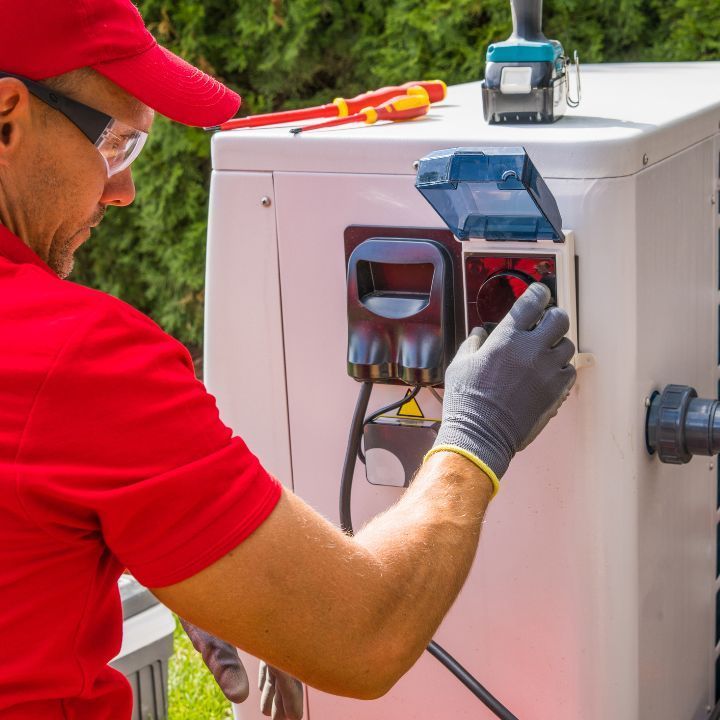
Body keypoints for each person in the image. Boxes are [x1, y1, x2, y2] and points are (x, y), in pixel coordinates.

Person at [0, 2, 576, 719]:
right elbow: (364, 634)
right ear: (7, 119)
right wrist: (475, 436)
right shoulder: (77, 359)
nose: (123, 192)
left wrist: (179, 548)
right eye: (116, 143)